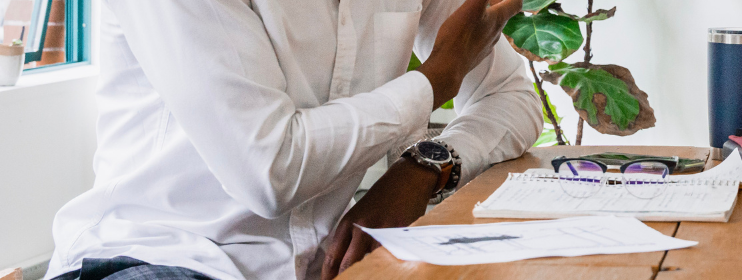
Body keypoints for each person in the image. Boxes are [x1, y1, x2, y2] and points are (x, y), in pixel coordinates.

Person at [43, 0, 542, 279]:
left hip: (318, 268)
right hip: (164, 258)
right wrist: (435, 80)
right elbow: (269, 172)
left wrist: (420, 168)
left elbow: (511, 98)